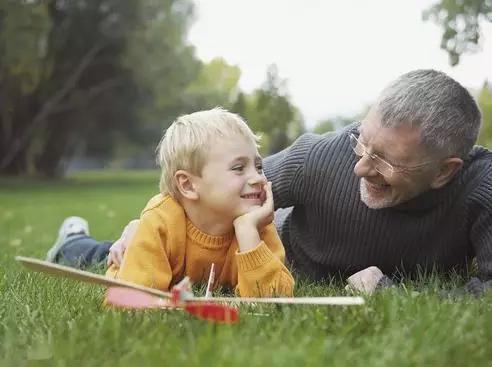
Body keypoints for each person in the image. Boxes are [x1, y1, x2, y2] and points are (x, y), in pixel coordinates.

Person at [49, 69, 492, 296]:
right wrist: (140, 224)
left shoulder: (480, 190)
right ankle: (74, 243)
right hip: (247, 251)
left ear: (444, 171)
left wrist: (391, 294)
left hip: (261, 273)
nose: (361, 166)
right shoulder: (319, 157)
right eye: (363, 143)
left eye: (385, 160)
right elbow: (213, 191)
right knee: (128, 253)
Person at [46, 108, 294, 297]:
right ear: (188, 185)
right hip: (130, 258)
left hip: (166, 261)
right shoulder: (161, 222)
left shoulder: (256, 223)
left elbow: (274, 299)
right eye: (239, 168)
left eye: (258, 166)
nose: (258, 177)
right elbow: (129, 299)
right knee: (96, 257)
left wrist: (249, 233)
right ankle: (71, 240)